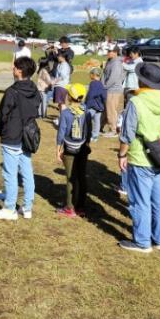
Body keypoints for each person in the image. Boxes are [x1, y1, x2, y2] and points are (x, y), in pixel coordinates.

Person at [117, 63, 160, 253]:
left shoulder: (136, 102)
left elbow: (127, 134)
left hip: (141, 157)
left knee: (140, 201)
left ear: (142, 80)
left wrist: (122, 154)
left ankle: (142, 241)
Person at [0, 56, 41, 221]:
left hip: (13, 137)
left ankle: (10, 208)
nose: (12, 70)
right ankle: (27, 207)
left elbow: (2, 114)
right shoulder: (34, 89)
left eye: (14, 68)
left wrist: (1, 131)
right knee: (27, 172)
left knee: (10, 174)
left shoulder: (12, 92)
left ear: (19, 71)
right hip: (27, 136)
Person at [55, 83, 91, 218]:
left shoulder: (65, 113)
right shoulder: (86, 112)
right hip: (82, 148)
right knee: (82, 177)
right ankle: (81, 207)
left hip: (69, 149)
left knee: (71, 178)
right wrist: (86, 145)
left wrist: (58, 149)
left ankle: (70, 207)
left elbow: (61, 133)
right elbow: (89, 131)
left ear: (69, 97)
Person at [101, 45, 125, 137]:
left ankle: (113, 130)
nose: (108, 53)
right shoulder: (110, 61)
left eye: (109, 51)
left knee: (111, 110)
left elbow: (113, 78)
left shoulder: (116, 63)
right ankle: (101, 127)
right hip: (108, 89)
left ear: (115, 52)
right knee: (106, 110)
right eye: (107, 51)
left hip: (113, 90)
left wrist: (105, 86)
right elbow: (104, 74)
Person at [85, 67, 107, 142]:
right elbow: (104, 96)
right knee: (97, 122)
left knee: (88, 121)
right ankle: (95, 136)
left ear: (94, 75)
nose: (90, 76)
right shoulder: (101, 84)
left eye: (91, 74)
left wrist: (86, 104)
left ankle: (87, 135)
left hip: (92, 106)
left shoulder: (93, 83)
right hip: (99, 107)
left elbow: (91, 95)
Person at [52, 51, 72, 118]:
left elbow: (62, 76)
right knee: (60, 104)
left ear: (62, 57)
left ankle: (63, 118)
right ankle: (61, 117)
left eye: (58, 56)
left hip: (62, 86)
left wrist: (54, 81)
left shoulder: (64, 65)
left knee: (62, 103)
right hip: (59, 85)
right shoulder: (60, 64)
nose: (57, 57)